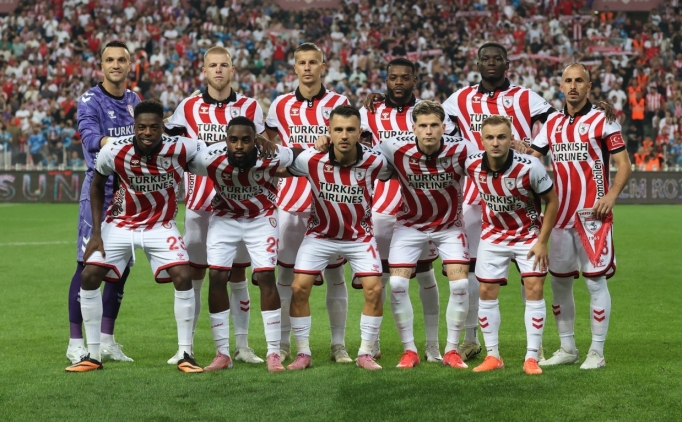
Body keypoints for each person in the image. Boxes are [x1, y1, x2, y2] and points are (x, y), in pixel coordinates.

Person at [65, 100, 203, 373]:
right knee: (89, 275)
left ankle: (186, 353)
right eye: (141, 127)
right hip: (120, 224)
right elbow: (97, 185)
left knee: (183, 276)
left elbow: (218, 154)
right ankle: (93, 355)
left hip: (160, 225)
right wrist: (96, 233)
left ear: (162, 127)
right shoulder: (114, 150)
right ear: (134, 127)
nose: (147, 132)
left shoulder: (182, 147)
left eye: (154, 127)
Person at [165, 46, 266, 365]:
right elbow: (168, 140)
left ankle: (242, 346)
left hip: (238, 206)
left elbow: (263, 149)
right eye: (213, 65)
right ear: (204, 71)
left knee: (237, 275)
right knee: (195, 275)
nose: (219, 70)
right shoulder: (188, 106)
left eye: (224, 65)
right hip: (199, 206)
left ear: (232, 70)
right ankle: (186, 347)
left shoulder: (250, 106)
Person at [530, 63, 632, 370]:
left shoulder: (603, 119)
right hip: (559, 218)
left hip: (592, 217)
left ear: (589, 86)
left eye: (579, 81)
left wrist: (611, 195)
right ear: (560, 86)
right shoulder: (552, 123)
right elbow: (532, 158)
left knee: (595, 283)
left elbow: (624, 165)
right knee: (560, 284)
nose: (573, 86)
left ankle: (597, 352)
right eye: (568, 81)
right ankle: (568, 348)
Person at [284, 105, 391, 371]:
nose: (344, 135)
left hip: (359, 237)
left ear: (360, 133)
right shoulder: (311, 158)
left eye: (350, 130)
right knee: (298, 287)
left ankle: (365, 353)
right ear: (329, 132)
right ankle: (303, 352)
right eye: (338, 129)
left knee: (375, 289)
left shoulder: (376, 161)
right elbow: (278, 163)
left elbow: (399, 170)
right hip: (319, 235)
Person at [264, 42, 351, 363]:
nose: (308, 68)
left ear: (323, 66)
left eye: (313, 62)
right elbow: (269, 147)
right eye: (302, 63)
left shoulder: (339, 103)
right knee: (285, 275)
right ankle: (284, 343)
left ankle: (338, 344)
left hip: (330, 202)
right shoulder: (280, 105)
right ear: (295, 68)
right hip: (290, 201)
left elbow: (353, 142)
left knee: (335, 275)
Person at [188, 116, 295, 373]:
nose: (239, 146)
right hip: (224, 219)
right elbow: (182, 156)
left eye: (246, 140)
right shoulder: (209, 157)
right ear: (226, 140)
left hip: (261, 218)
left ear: (255, 141)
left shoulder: (273, 154)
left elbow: (302, 157)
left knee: (265, 276)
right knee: (217, 276)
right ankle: (223, 353)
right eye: (233, 140)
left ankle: (273, 353)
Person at [376, 100, 475, 369]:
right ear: (414, 128)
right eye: (422, 126)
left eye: (434, 125)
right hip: (409, 226)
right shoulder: (394, 146)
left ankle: (451, 350)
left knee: (460, 286)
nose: (428, 131)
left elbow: (490, 163)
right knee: (397, 284)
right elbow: (361, 157)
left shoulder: (463, 148)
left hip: (449, 227)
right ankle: (409, 351)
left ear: (444, 127)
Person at [358, 58, 442, 364]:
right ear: (386, 80)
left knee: (425, 274)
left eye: (404, 78)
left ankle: (432, 345)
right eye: (393, 77)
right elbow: (357, 144)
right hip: (381, 205)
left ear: (414, 81)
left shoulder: (427, 111)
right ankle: (373, 343)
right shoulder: (371, 111)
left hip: (419, 205)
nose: (398, 82)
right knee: (379, 277)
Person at [464, 115, 558, 375]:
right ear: (482, 140)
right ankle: (493, 355)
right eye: (490, 137)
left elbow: (552, 201)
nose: (496, 142)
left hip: (528, 235)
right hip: (493, 235)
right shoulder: (471, 164)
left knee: (534, 288)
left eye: (501, 137)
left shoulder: (530, 167)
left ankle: (532, 357)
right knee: (486, 291)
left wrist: (543, 242)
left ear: (511, 139)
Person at [67, 40, 140, 365]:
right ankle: (75, 343)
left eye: (121, 60)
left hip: (129, 195)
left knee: (121, 268)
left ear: (129, 65)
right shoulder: (89, 100)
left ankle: (108, 340)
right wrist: (131, 140)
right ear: (101, 65)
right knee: (86, 267)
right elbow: (90, 138)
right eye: (110, 60)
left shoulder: (134, 100)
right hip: (99, 192)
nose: (115, 65)